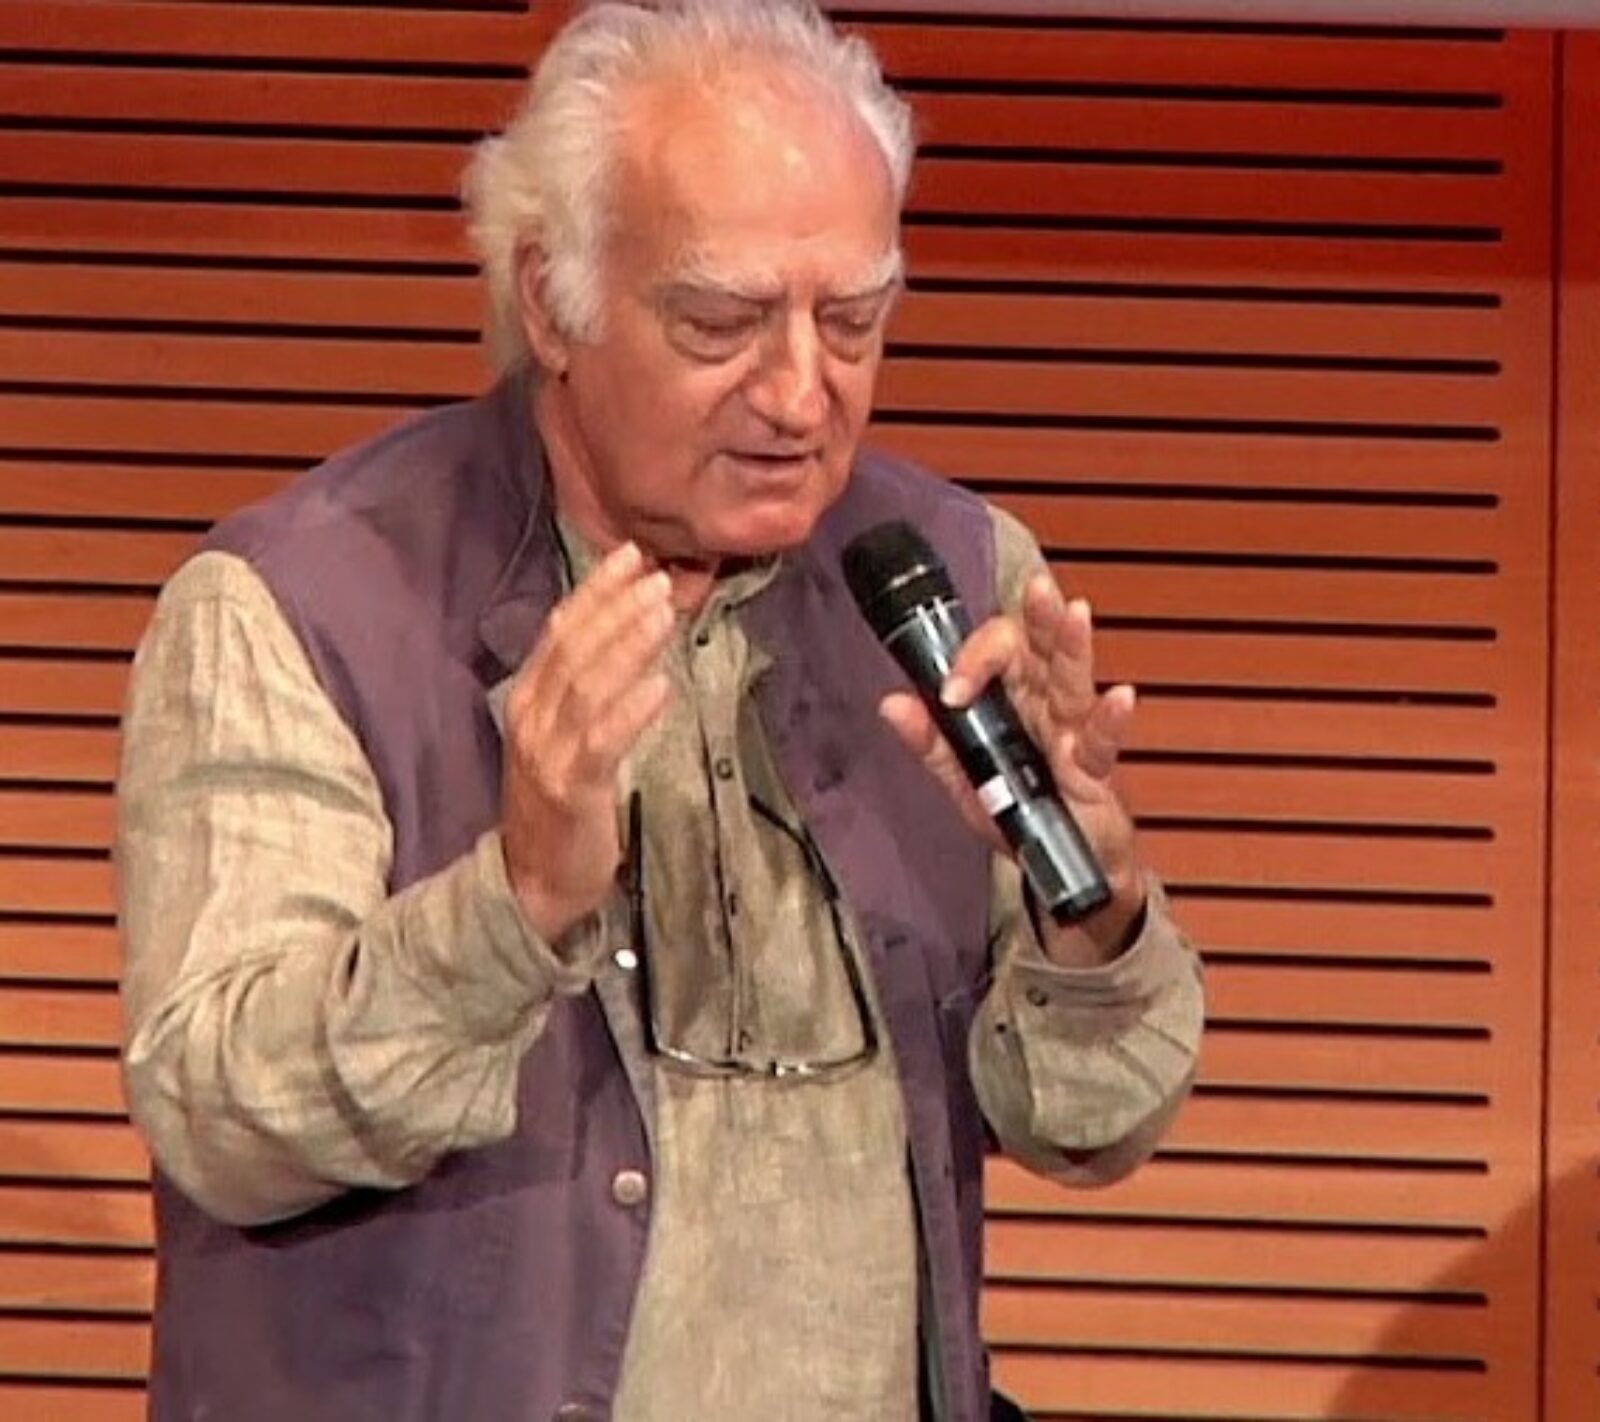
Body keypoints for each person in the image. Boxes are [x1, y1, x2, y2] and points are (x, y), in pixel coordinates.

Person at [115, 3, 1204, 1420]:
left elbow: (1091, 1122)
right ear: (551, 300)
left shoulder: (952, 581)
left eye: (854, 322)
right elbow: (218, 1112)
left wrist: (1093, 913)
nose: (802, 394)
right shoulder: (300, 606)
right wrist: (510, 909)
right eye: (722, 323)